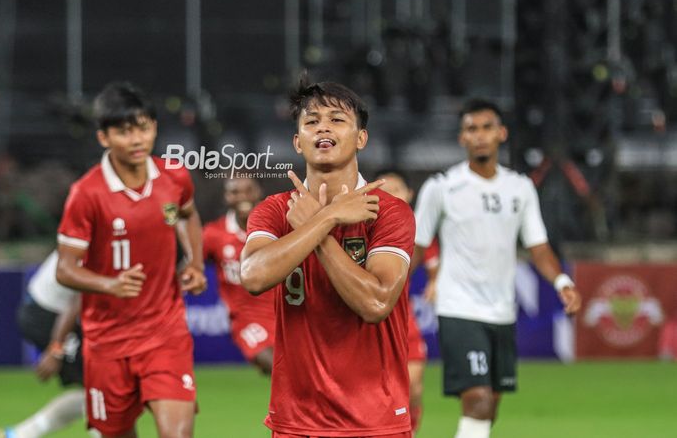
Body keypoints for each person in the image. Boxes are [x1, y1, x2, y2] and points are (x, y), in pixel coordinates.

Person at [240, 78, 416, 437]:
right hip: (296, 422)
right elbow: (253, 277)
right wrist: (328, 218)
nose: (322, 126)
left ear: (361, 139)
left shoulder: (389, 212)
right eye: (311, 121)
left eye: (337, 119)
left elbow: (375, 302)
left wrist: (317, 226)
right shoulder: (273, 211)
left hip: (374, 420)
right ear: (297, 141)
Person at [411, 98, 582, 438]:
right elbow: (415, 245)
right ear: (462, 138)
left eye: (487, 127)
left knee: (489, 408)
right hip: (458, 307)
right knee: (478, 400)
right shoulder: (441, 187)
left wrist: (561, 280)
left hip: (502, 312)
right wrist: (386, 286)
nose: (479, 136)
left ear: (501, 133)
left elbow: (539, 248)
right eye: (471, 129)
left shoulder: (520, 188)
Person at [55, 82, 207, 438]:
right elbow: (65, 268)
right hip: (107, 341)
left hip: (164, 331)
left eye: (144, 127)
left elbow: (185, 215)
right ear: (104, 137)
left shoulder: (173, 176)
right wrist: (109, 284)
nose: (137, 139)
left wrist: (195, 263)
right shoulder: (86, 194)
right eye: (125, 131)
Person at [375, 169, 440, 435]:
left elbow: (434, 265)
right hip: (367, 321)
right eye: (384, 190)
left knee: (413, 388)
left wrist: (436, 282)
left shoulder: (418, 231)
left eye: (397, 189)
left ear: (409, 194)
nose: (391, 195)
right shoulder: (360, 227)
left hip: (403, 319)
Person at [0, 250, 84, 438]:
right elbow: (77, 300)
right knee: (102, 388)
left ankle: (21, 434)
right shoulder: (101, 236)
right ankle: (21, 434)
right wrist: (56, 348)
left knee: (102, 388)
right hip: (46, 315)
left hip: (43, 308)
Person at [202, 177, 275, 375]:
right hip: (246, 318)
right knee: (277, 367)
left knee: (300, 376)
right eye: (235, 192)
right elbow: (191, 267)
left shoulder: (278, 226)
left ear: (258, 192)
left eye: (248, 190)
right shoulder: (213, 234)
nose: (242, 196)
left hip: (285, 315)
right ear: (226, 197)